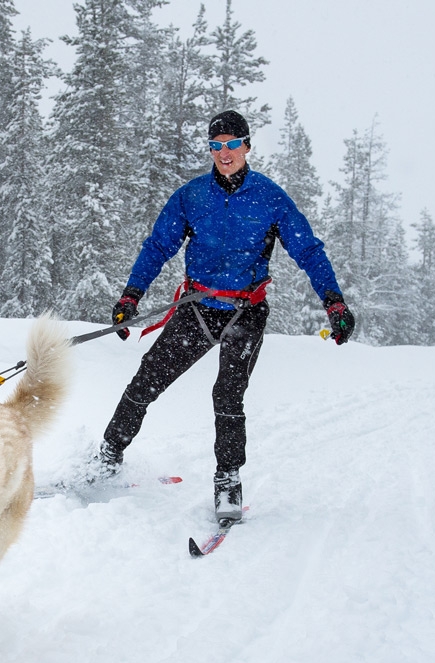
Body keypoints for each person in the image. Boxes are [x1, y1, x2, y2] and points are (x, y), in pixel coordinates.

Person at [93, 109, 355, 529]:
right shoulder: (192, 196)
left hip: (246, 313)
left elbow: (308, 249)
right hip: (197, 308)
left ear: (247, 146)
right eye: (216, 145)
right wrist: (131, 294)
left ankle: (228, 480)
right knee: (147, 379)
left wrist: (334, 302)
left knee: (227, 396)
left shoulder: (270, 197)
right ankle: (107, 456)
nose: (224, 152)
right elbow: (158, 245)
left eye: (233, 144)